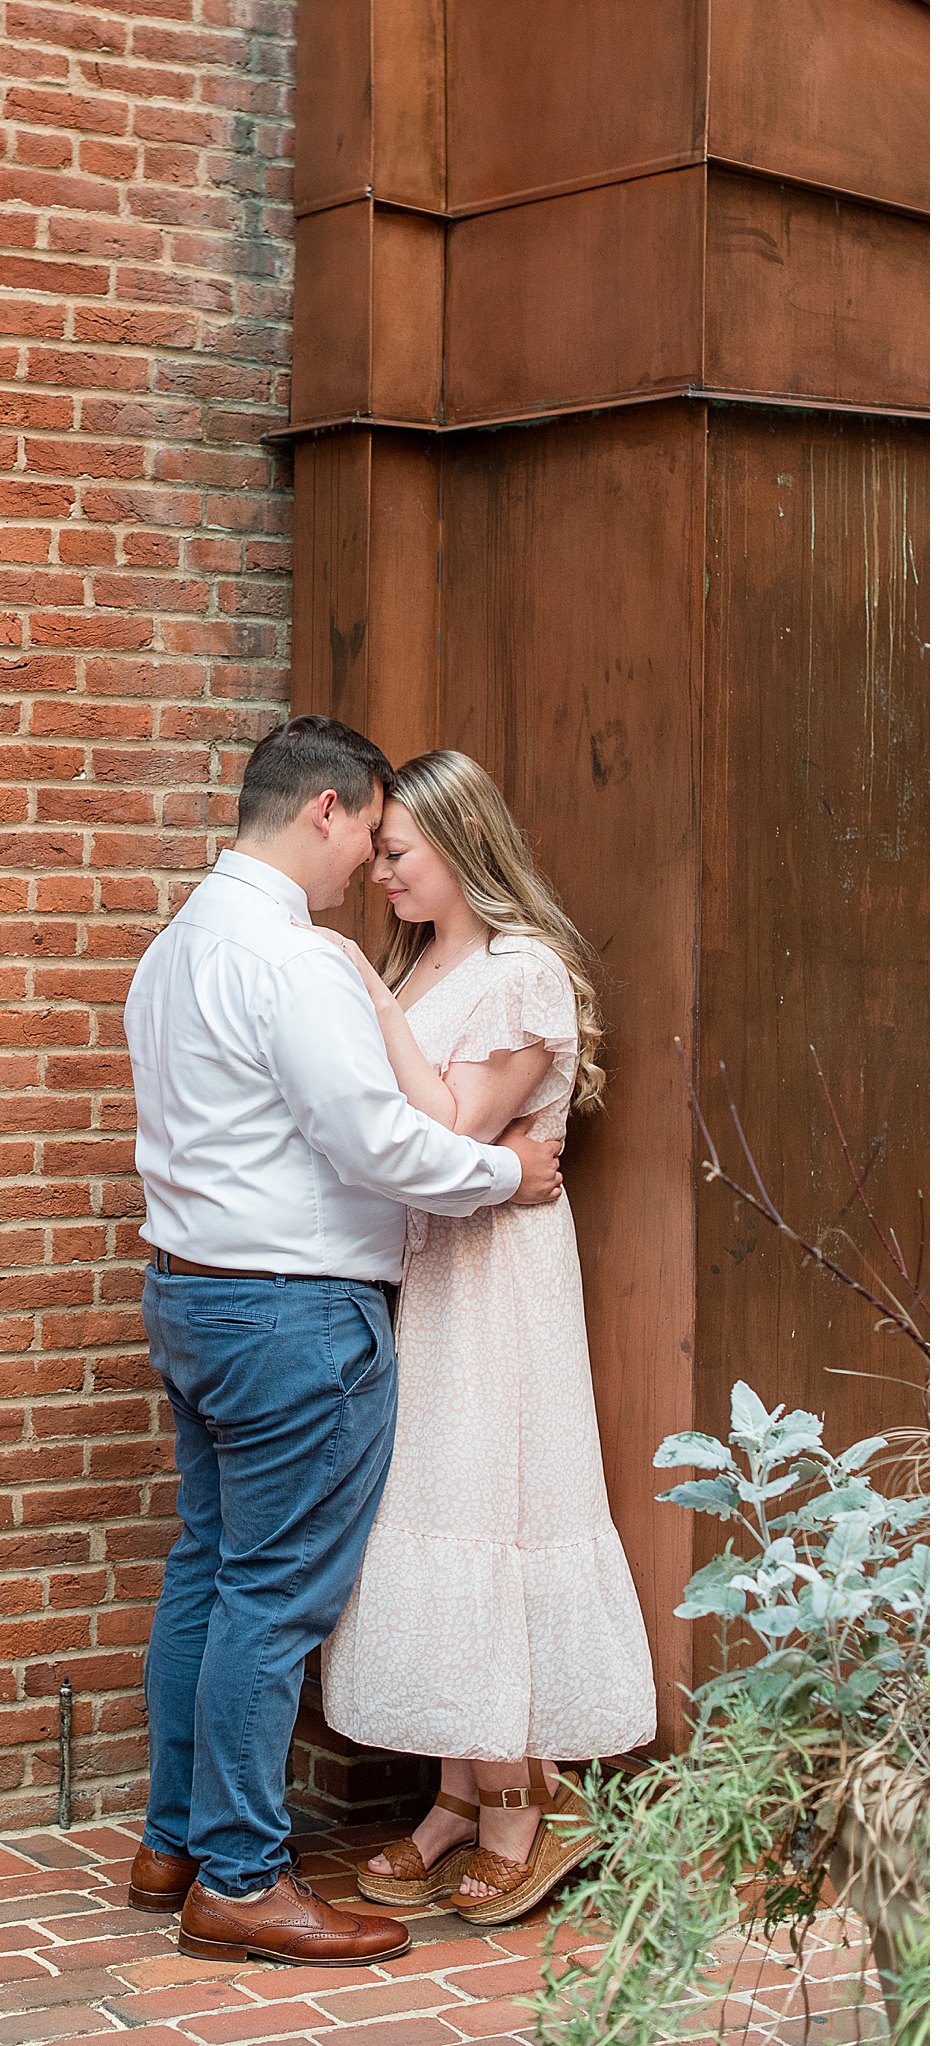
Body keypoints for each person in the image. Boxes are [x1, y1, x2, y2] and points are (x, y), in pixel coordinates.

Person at [121, 717, 566, 1968]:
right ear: (324, 809)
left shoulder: (173, 948)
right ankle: (243, 1879)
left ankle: (174, 1842)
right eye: (370, 830)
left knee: (207, 1571)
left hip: (191, 1295)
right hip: (291, 1315)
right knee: (269, 1599)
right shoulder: (294, 960)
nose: (370, 861)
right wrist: (504, 1171)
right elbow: (377, 1144)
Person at [320, 749, 657, 1928]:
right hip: (433, 1271)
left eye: (398, 854)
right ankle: (461, 1790)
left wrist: (364, 995)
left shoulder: (522, 975)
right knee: (441, 1498)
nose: (380, 876)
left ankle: (529, 1798)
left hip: (499, 1279)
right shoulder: (425, 969)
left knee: (498, 1498)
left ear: (461, 849)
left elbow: (457, 1125)